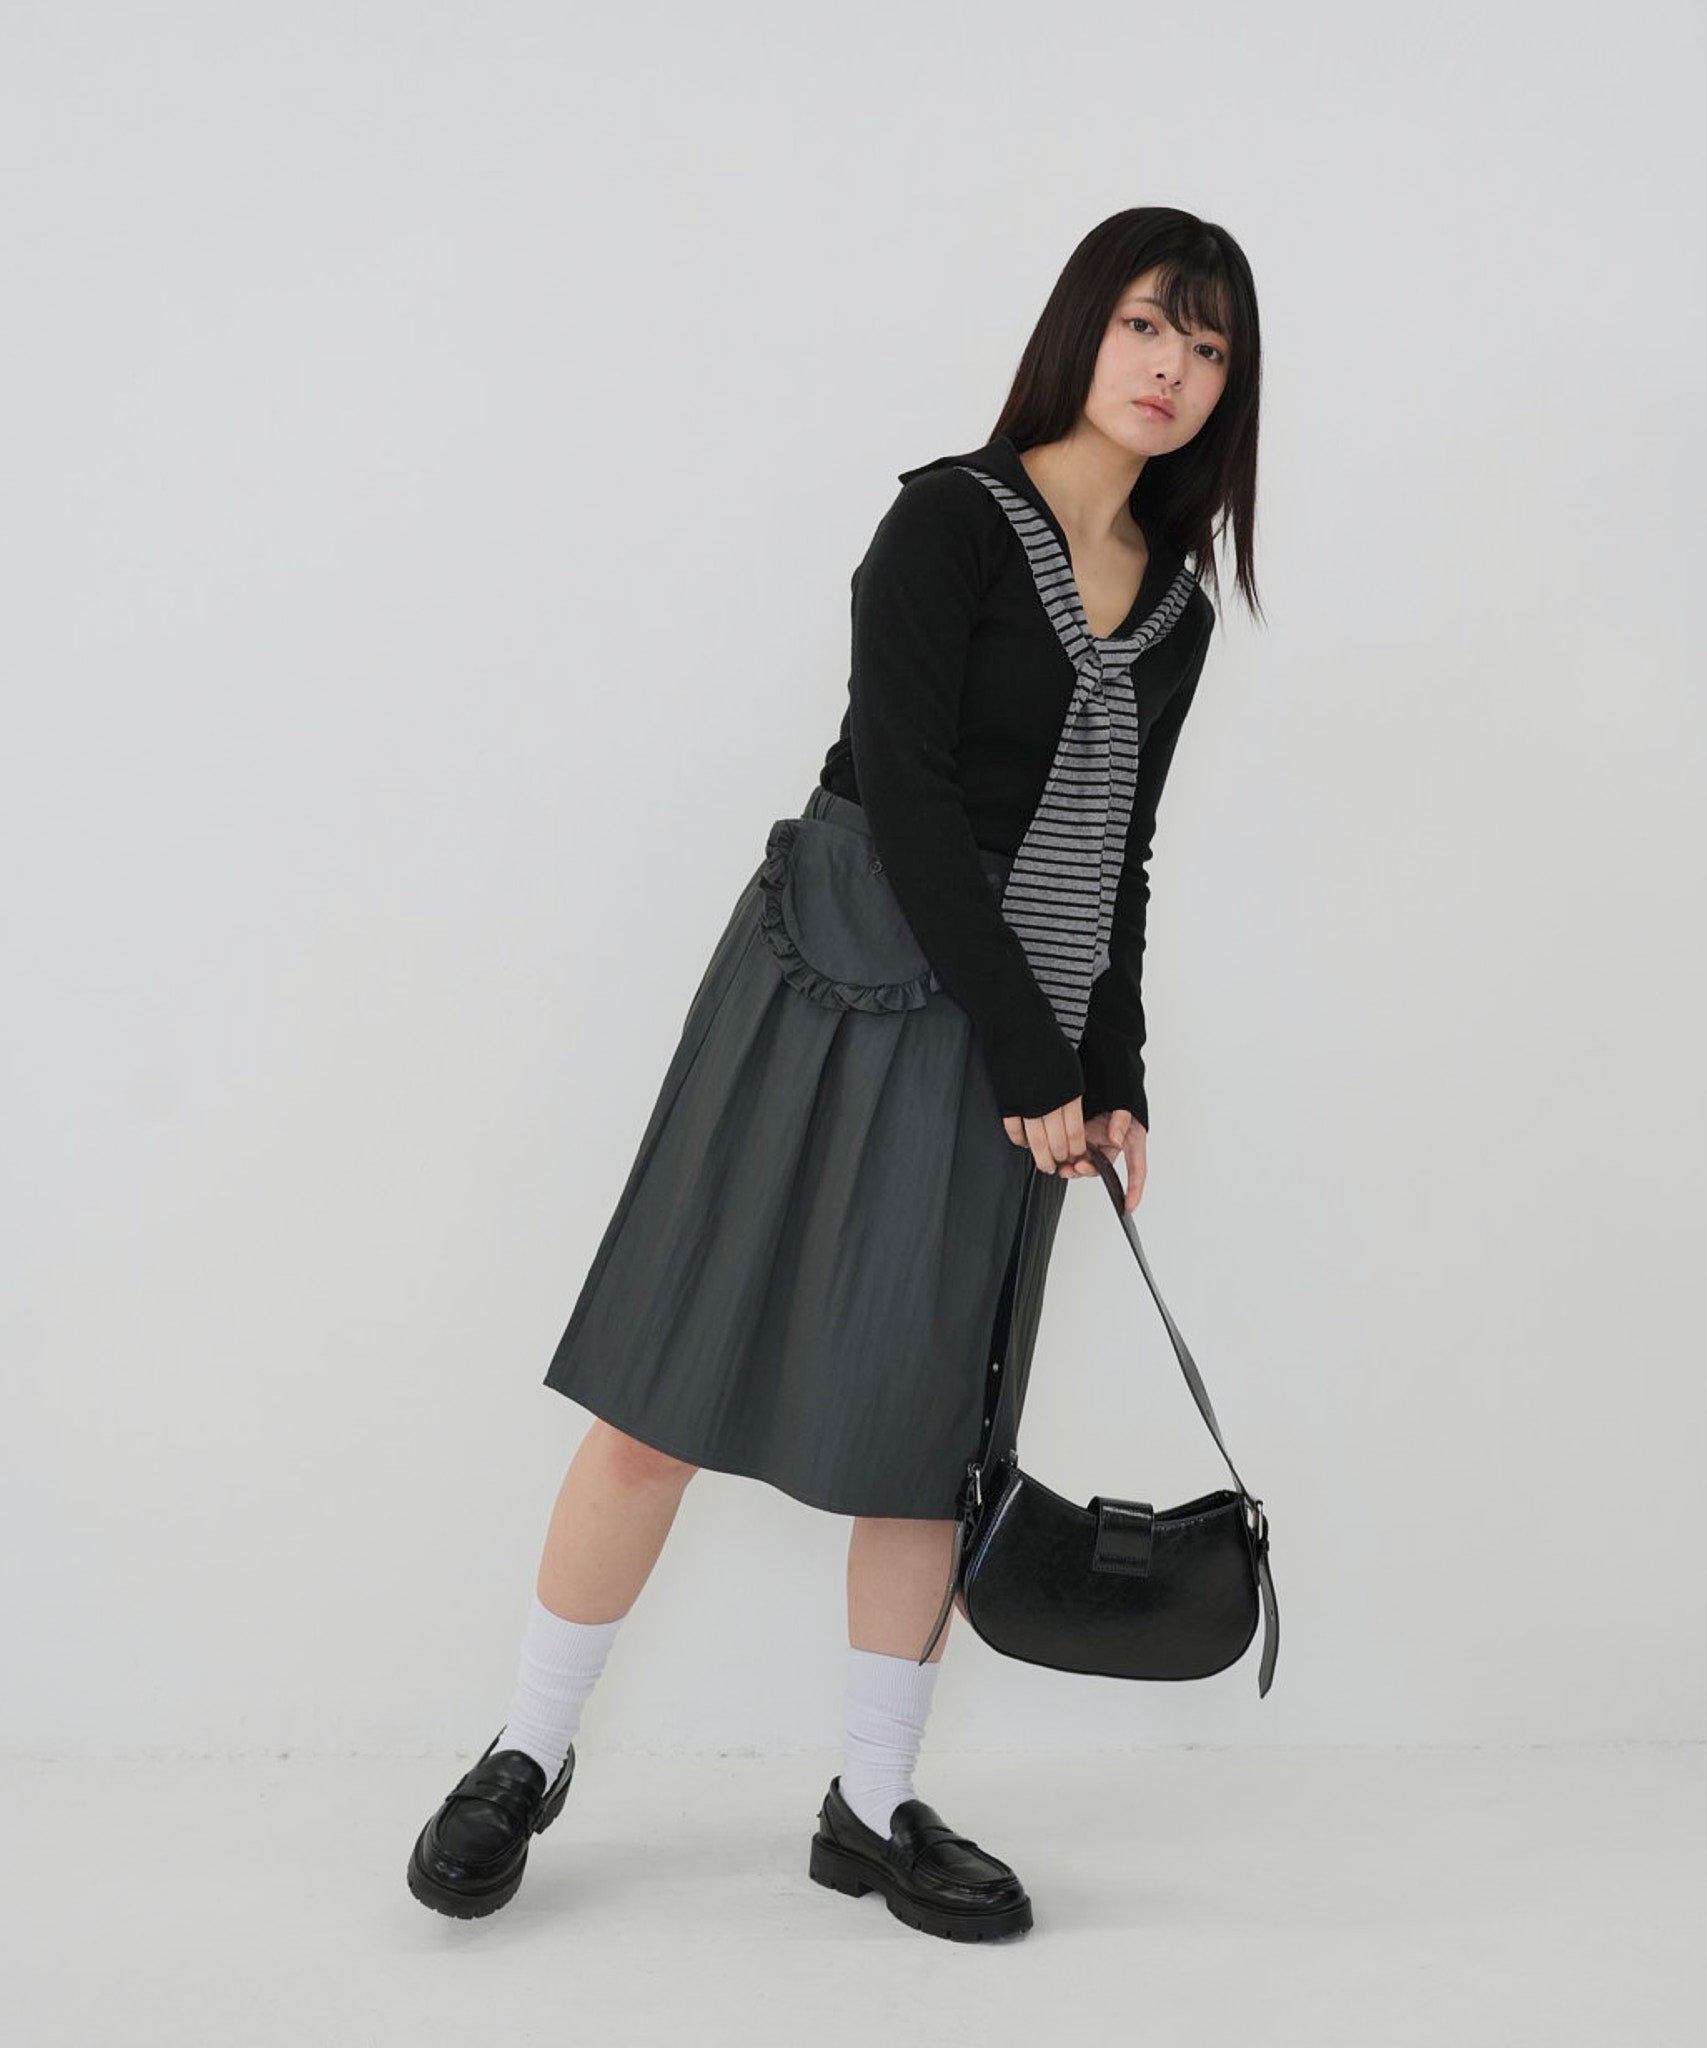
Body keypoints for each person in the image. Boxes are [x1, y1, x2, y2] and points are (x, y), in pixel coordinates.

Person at [407, 204, 1263, 1943]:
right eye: (1145, 325)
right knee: (661, 1386)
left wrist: (1114, 1069)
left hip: (1017, 1037)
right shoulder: (948, 521)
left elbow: (1120, 850)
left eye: (1209, 346)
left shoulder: (1176, 607)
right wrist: (1032, 1042)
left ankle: (872, 1805)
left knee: (929, 1441)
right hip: (840, 975)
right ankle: (525, 1752)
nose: (1171, 368)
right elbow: (910, 794)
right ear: (1081, 329)